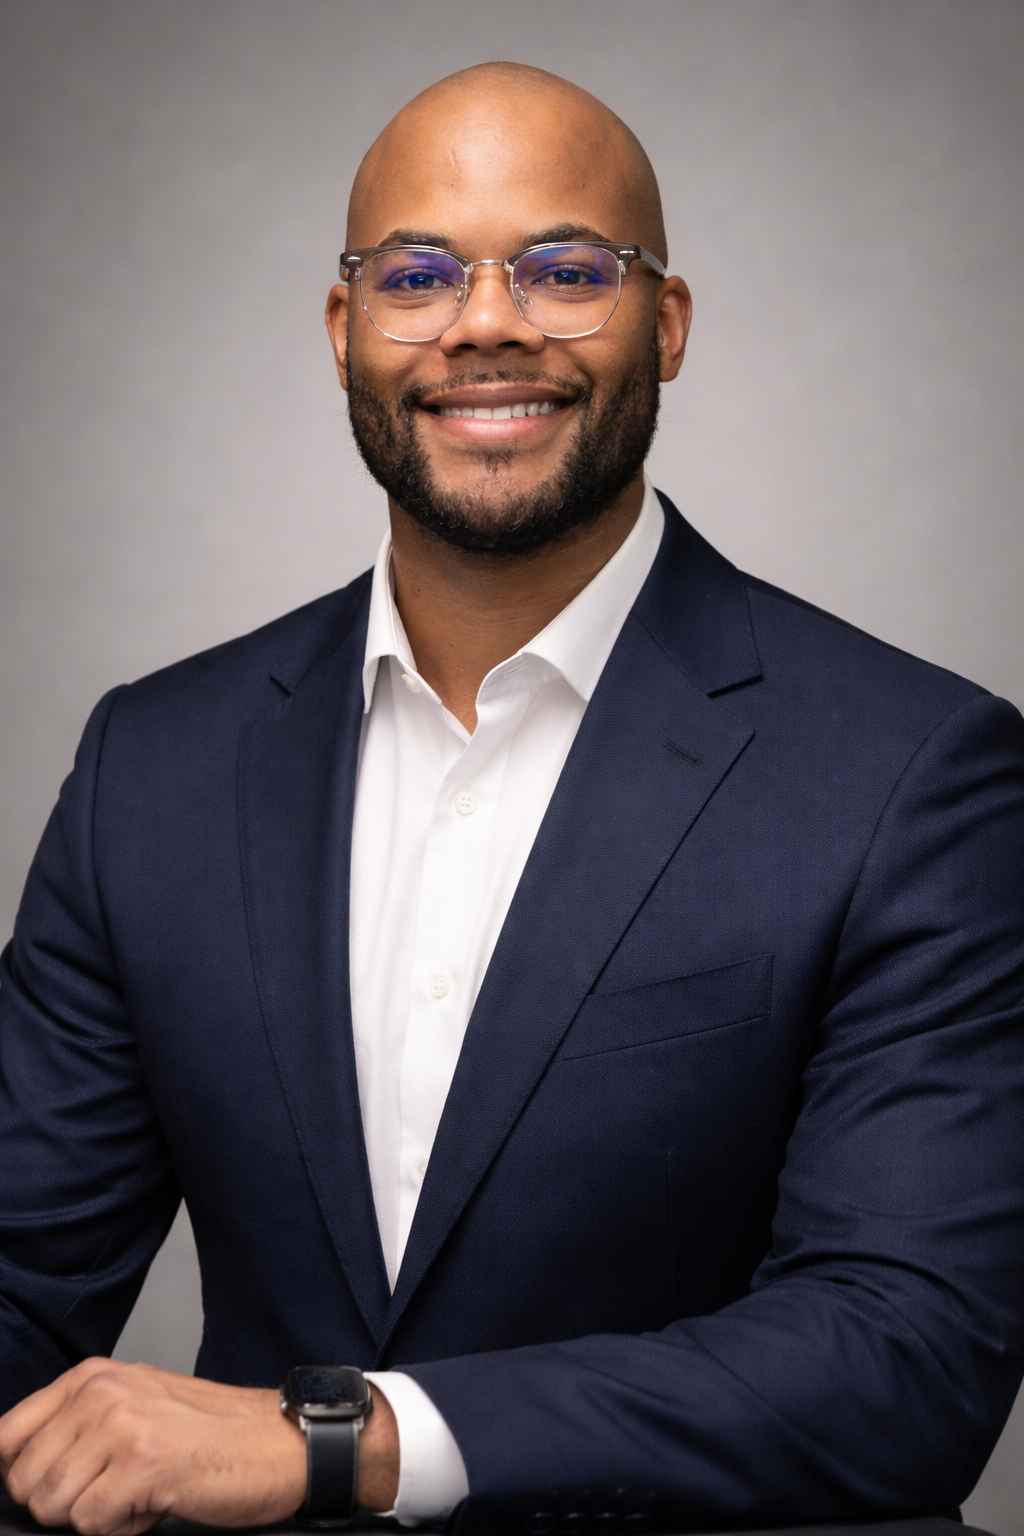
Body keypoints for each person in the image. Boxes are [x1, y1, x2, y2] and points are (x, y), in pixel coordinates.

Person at [1, 60, 1022, 1536]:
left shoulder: (911, 772)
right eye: (418, 273)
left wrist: (343, 1443)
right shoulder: (153, 766)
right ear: (345, 330)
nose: (487, 322)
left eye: (566, 268)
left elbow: (905, 1359)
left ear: (666, 328)